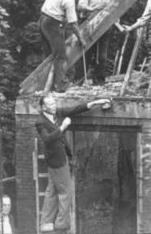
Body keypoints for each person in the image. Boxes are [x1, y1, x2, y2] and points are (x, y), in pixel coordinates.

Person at [36, 94, 111, 233]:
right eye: (51, 104)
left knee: (52, 190)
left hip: (61, 156)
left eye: (54, 103)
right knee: (66, 192)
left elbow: (75, 109)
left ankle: (46, 222)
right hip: (57, 160)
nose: (54, 105)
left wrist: (95, 102)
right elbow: (47, 139)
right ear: (44, 107)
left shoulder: (56, 112)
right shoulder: (40, 121)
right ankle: (61, 225)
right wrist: (63, 127)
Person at [40, 0, 88, 92]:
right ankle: (62, 86)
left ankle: (47, 85)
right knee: (60, 56)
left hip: (43, 19)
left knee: (48, 54)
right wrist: (80, 38)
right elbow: (73, 23)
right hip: (54, 24)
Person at [75, 0, 112, 85]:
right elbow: (80, 6)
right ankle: (79, 81)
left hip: (103, 24)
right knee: (84, 51)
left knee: (101, 54)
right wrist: (93, 9)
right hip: (87, 23)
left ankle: (99, 81)